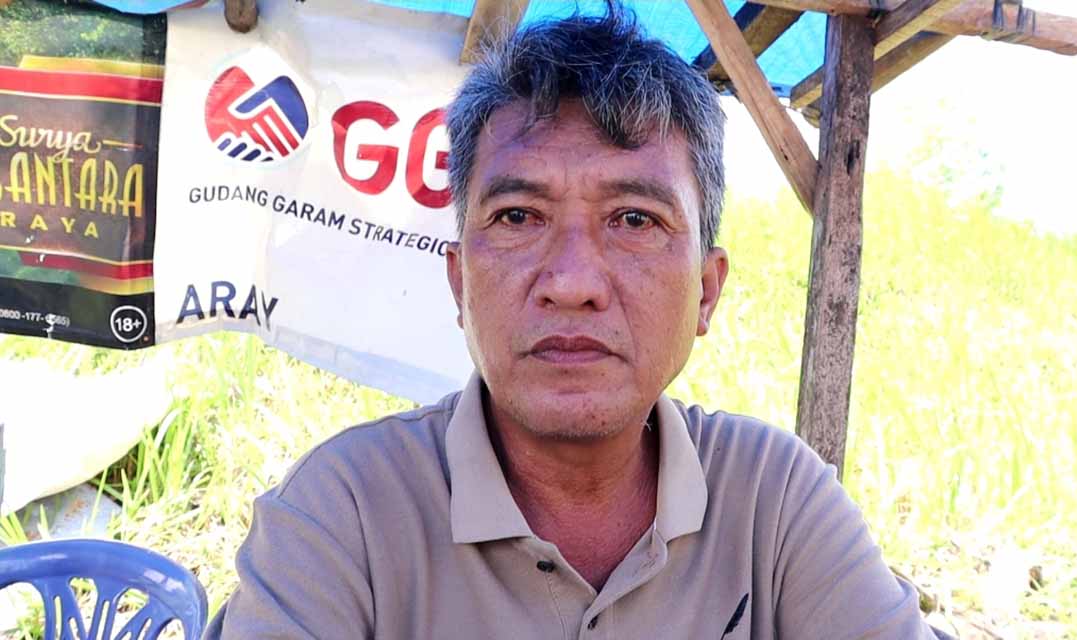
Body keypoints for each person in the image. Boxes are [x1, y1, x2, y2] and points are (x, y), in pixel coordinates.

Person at [206, 5, 943, 638]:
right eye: (518, 216)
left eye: (635, 219)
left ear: (706, 291)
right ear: (460, 281)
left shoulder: (776, 503)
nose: (572, 283)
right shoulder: (342, 515)